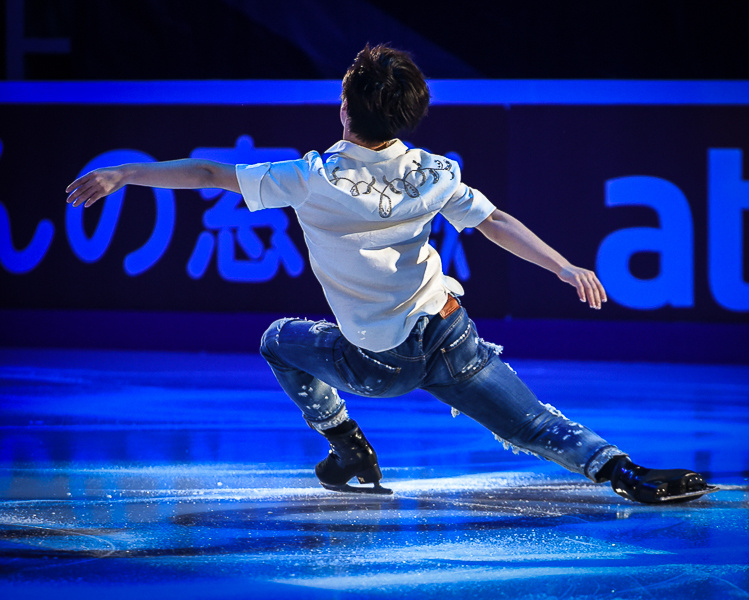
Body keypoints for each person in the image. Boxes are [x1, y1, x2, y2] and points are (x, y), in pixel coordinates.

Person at [66, 43, 715, 504]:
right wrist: (563, 265)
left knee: (277, 341)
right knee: (535, 425)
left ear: (345, 107)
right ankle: (627, 474)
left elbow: (209, 174)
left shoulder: (310, 177)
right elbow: (495, 221)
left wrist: (126, 172)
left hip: (378, 364)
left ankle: (348, 448)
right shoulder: (433, 173)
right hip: (452, 334)